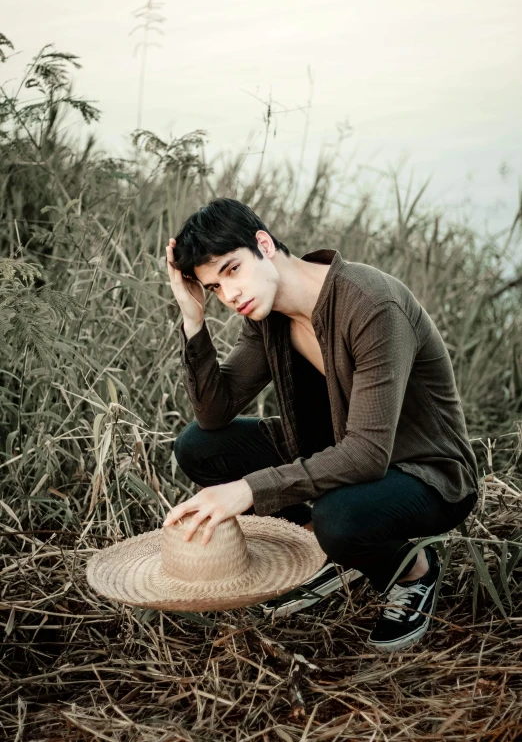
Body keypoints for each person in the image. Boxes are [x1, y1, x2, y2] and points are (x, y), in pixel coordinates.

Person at [162, 198, 479, 651]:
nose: (228, 295)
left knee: (340, 517)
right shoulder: (266, 312)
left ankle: (412, 569)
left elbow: (368, 454)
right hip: (338, 450)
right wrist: (193, 319)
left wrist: (248, 489)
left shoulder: (371, 304)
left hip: (425, 471)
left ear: (264, 245)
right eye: (214, 287)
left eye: (232, 270)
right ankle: (327, 553)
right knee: (199, 446)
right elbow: (215, 412)